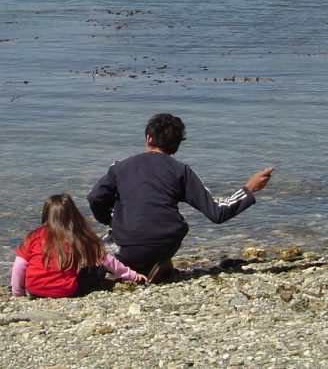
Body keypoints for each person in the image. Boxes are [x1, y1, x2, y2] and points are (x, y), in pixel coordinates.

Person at [87, 113, 275, 281]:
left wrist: (110, 220)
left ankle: (137, 265)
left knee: (94, 250)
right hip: (167, 244)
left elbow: (95, 198)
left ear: (148, 138)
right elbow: (218, 212)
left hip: (127, 247)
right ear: (176, 146)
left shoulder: (120, 167)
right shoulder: (181, 171)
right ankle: (157, 262)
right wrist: (249, 188)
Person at [11, 193, 148, 297]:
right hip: (66, 290)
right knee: (98, 268)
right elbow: (108, 261)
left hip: (35, 290)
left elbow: (19, 265)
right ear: (74, 214)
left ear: (45, 214)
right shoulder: (79, 236)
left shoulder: (34, 236)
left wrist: (18, 292)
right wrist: (132, 275)